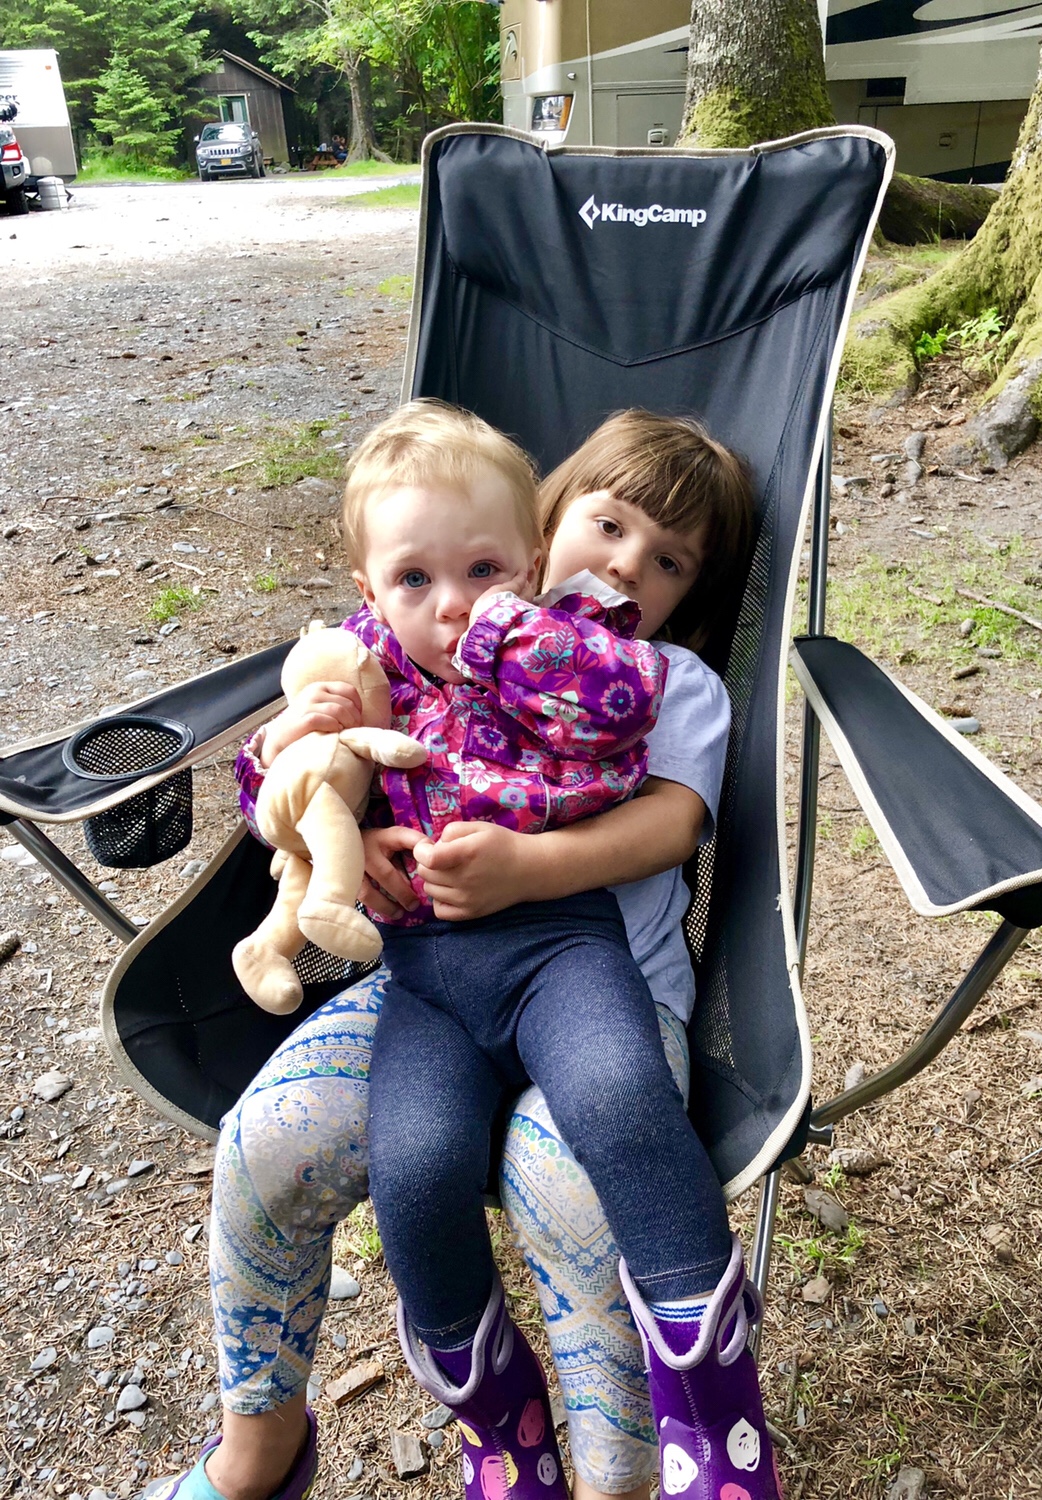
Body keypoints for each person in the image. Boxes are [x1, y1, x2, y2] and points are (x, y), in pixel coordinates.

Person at [143, 408, 774, 1500]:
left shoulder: (655, 677)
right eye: (609, 525)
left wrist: (526, 867)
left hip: (605, 981)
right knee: (390, 1159)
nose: (629, 563)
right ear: (548, 529)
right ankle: (467, 1431)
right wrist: (341, 824)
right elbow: (296, 789)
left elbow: (671, 822)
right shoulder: (397, 659)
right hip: (429, 982)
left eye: (668, 560)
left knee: (580, 1167)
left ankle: (674, 1451)